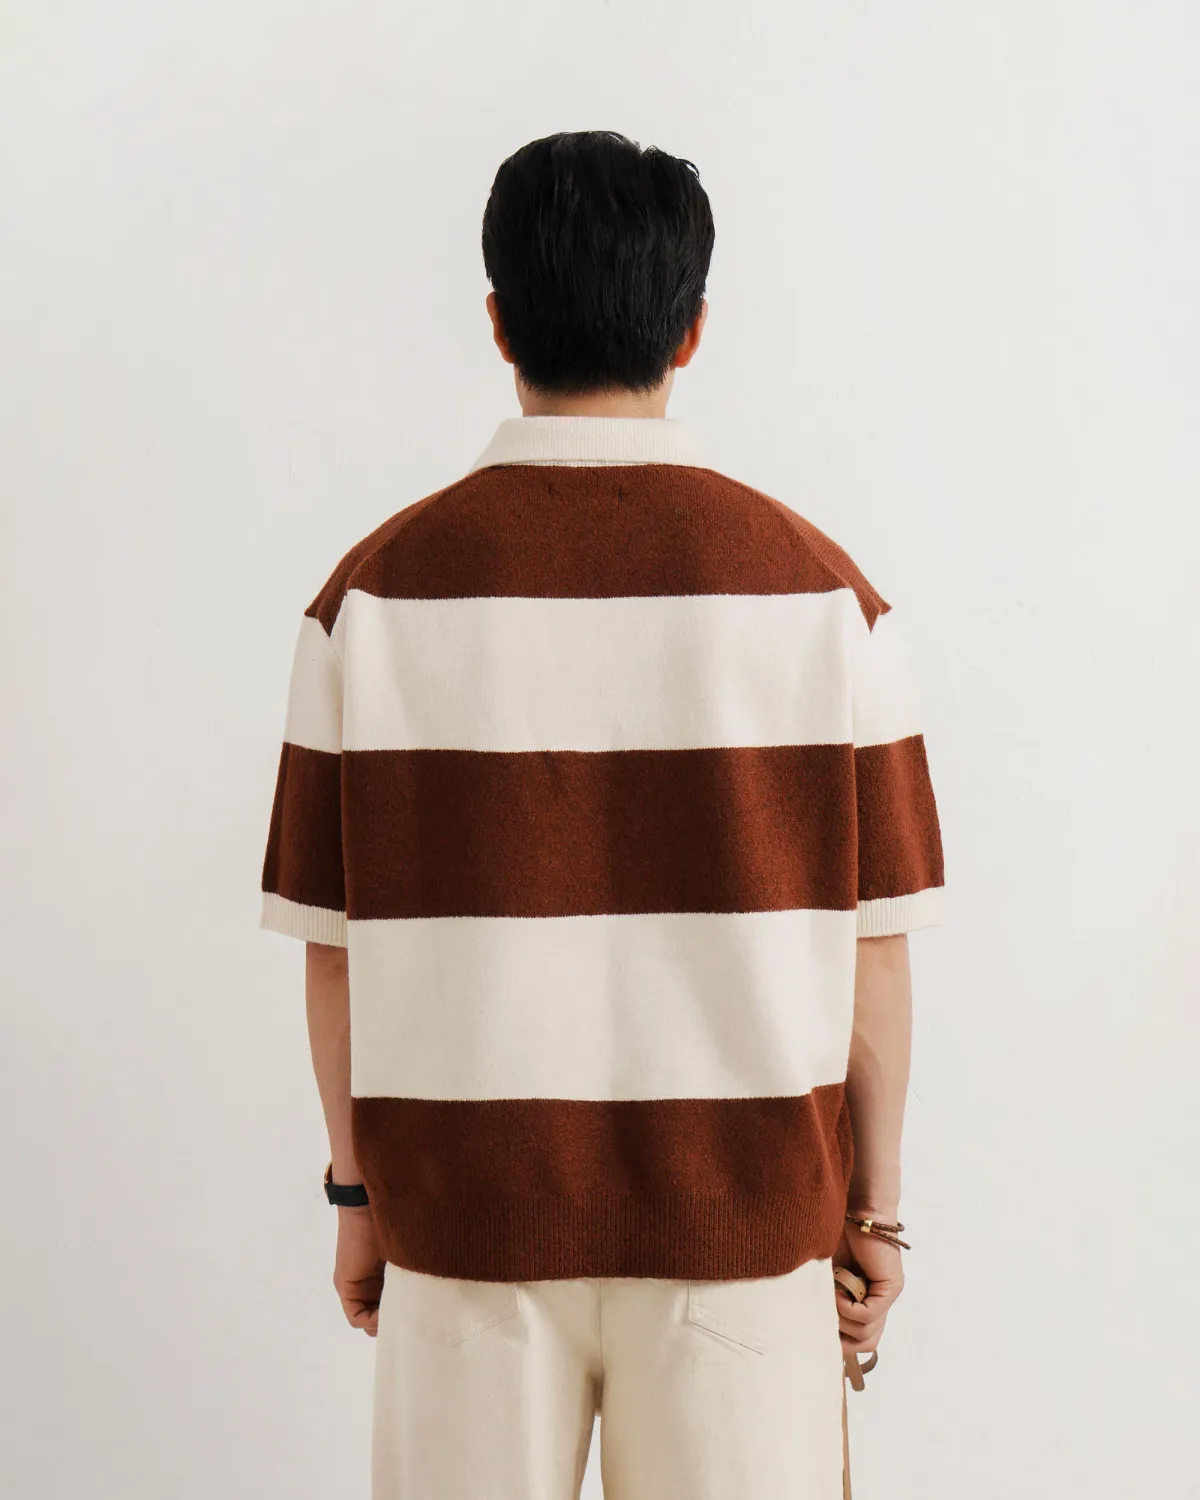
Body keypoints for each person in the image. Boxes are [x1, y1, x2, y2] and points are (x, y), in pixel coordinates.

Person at [259, 129, 945, 1500]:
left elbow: (337, 957)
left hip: (465, 1236)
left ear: (499, 322)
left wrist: (356, 1197)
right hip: (745, 1243)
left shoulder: (368, 600)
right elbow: (873, 959)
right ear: (691, 331)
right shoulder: (828, 603)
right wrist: (876, 1213)